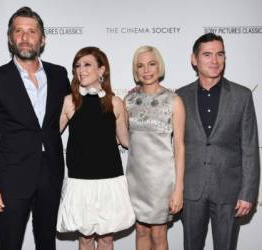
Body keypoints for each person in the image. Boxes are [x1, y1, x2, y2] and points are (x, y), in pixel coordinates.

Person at [0, 7, 70, 250]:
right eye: (19, 31)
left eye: (31, 31)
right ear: (10, 38)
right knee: (9, 243)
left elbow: (74, 117)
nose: (25, 37)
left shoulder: (59, 75)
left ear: (42, 39)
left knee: (47, 243)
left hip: (52, 173)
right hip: (12, 178)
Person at [176, 33, 260, 250]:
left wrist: (248, 193)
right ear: (194, 59)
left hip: (229, 190)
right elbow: (173, 148)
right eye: (207, 54)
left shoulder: (242, 96)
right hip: (191, 190)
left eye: (220, 54)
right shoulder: (180, 96)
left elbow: (250, 147)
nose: (215, 60)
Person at [56, 46, 135, 250]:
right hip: (80, 181)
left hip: (109, 181)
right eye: (77, 66)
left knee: (107, 240)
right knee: (85, 239)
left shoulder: (115, 103)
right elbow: (49, 135)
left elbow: (126, 141)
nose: (81, 70)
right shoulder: (69, 101)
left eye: (87, 64)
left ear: (101, 70)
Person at [124, 46, 185, 250]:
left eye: (151, 64)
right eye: (140, 65)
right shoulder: (129, 100)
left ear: (159, 67)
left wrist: (178, 188)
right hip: (136, 180)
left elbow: (179, 147)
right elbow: (125, 139)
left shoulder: (173, 101)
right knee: (140, 231)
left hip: (162, 182)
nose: (146, 70)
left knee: (159, 235)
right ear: (135, 70)